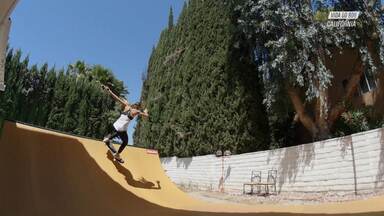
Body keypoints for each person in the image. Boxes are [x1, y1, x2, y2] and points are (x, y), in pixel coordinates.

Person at [101, 84, 149, 163]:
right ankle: (117, 154)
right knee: (125, 142)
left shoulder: (126, 106)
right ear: (138, 107)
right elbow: (146, 116)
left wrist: (109, 91)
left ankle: (108, 139)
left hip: (115, 125)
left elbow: (117, 98)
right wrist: (146, 112)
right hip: (121, 129)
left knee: (114, 135)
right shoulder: (136, 111)